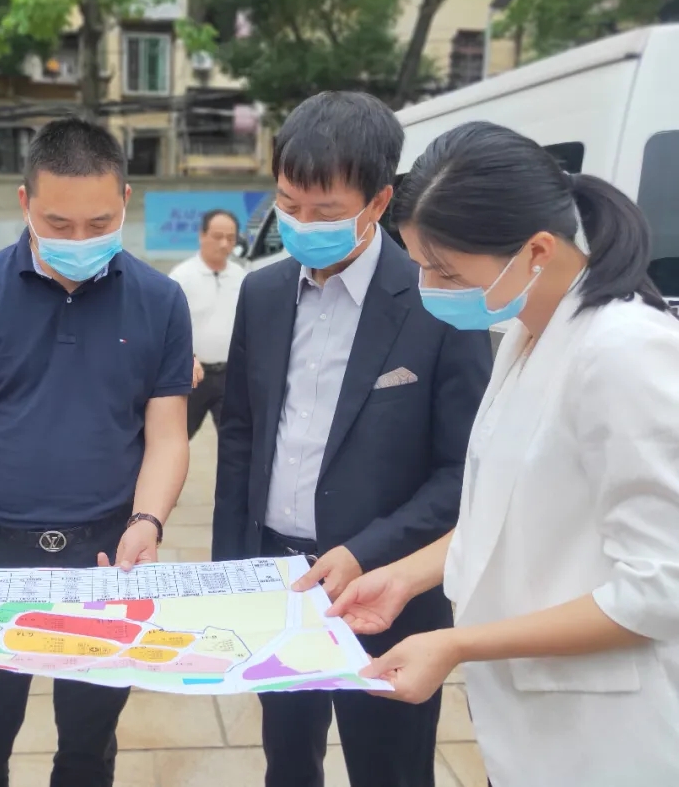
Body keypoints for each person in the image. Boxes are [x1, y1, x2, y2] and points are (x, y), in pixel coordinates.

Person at [328, 121, 679, 787]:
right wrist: (405, 576)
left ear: (537, 251)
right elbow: (504, 514)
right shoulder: (528, 331)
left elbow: (663, 587)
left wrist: (459, 643)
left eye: (446, 271)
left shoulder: (626, 352)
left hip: (610, 742)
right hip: (531, 729)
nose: (429, 285)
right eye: (421, 264)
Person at [211, 92, 493, 787]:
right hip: (277, 580)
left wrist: (367, 552)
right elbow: (240, 436)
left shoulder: (437, 300)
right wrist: (228, 573)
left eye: (326, 211)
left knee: (389, 768)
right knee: (287, 761)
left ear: (378, 202)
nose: (303, 224)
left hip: (388, 591)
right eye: (289, 205)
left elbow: (464, 472)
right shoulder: (263, 293)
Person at [0, 117, 193, 787]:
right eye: (59, 224)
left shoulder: (160, 301)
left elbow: (167, 435)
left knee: (88, 748)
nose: (79, 240)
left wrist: (147, 521)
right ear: (25, 201)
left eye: (99, 223)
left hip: (105, 556)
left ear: (126, 200)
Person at [169, 208, 246, 438]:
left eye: (231, 238)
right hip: (191, 375)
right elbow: (168, 328)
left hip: (230, 376)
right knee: (176, 437)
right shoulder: (181, 277)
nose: (224, 244)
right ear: (202, 235)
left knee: (235, 440)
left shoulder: (242, 277)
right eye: (218, 236)